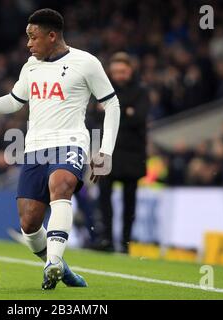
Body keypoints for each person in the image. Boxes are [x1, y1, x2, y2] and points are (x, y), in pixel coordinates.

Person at [0, 8, 120, 290]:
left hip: (71, 142)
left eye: (33, 37)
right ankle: (62, 270)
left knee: (60, 185)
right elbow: (15, 100)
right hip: (35, 147)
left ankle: (53, 261)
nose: (28, 43)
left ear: (52, 36)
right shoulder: (30, 66)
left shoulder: (85, 63)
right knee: (29, 223)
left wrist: (105, 151)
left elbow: (111, 103)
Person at [95, 52, 150, 253]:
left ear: (130, 71)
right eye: (116, 71)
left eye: (123, 71)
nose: (119, 75)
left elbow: (139, 117)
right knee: (104, 199)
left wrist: (112, 111)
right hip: (107, 152)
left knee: (129, 202)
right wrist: (127, 111)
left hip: (133, 154)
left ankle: (126, 242)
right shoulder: (103, 89)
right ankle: (106, 239)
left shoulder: (141, 90)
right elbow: (93, 115)